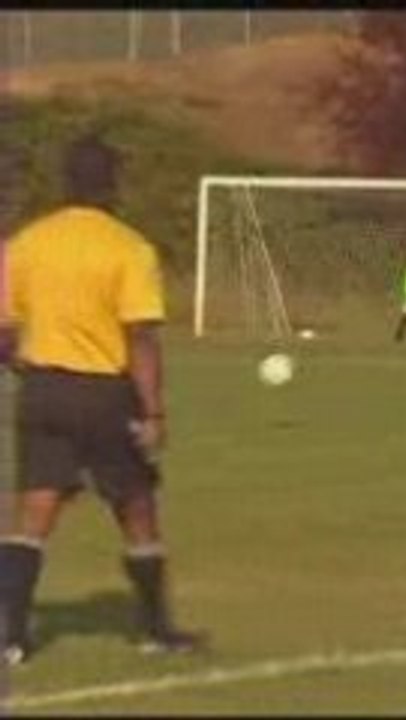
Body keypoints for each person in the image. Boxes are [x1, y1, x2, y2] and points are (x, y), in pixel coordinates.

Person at [0, 134, 204, 665]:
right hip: (105, 394)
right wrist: (154, 412)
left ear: (66, 182)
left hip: (42, 389)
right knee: (136, 507)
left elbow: (3, 329)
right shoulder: (128, 248)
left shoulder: (27, 243)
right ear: (112, 185)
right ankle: (155, 629)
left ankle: (13, 638)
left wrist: (26, 367)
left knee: (33, 513)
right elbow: (140, 337)